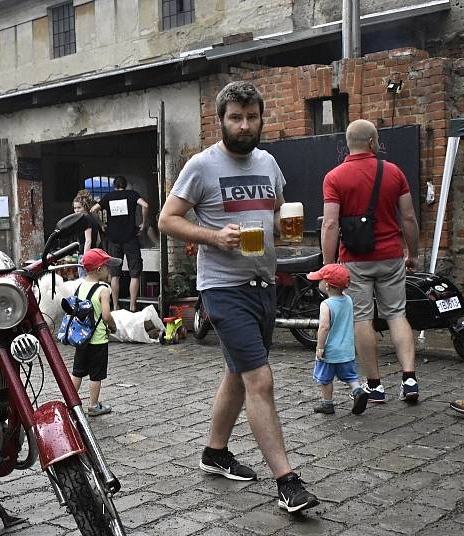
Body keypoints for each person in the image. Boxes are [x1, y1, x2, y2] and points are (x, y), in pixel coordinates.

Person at [158, 81, 318, 513]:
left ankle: (214, 452)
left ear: (262, 119)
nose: (244, 126)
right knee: (259, 380)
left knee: (237, 373)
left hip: (264, 283)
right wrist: (213, 235)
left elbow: (278, 208)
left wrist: (286, 233)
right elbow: (167, 220)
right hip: (223, 288)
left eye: (251, 117)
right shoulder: (202, 165)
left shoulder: (268, 162)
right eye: (235, 117)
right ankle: (287, 482)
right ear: (221, 120)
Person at [321, 119, 420, 404]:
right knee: (397, 314)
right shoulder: (394, 172)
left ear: (346, 146)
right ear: (374, 143)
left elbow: (329, 224)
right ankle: (410, 379)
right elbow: (409, 218)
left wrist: (330, 265)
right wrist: (411, 254)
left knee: (361, 319)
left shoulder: (334, 177)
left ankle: (375, 386)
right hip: (390, 256)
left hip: (354, 260)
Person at [307, 264, 368, 415]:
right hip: (346, 349)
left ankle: (328, 404)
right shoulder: (347, 300)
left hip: (330, 350)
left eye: (320, 280)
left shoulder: (326, 304)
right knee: (349, 376)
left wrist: (320, 347)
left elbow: (324, 327)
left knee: (325, 378)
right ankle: (358, 391)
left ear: (326, 285)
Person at [71, 248, 118, 417]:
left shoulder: (80, 287)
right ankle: (93, 405)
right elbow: (106, 315)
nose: (109, 270)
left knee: (77, 372)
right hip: (97, 340)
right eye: (107, 267)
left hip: (81, 339)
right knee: (95, 375)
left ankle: (71, 404)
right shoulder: (103, 290)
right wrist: (113, 326)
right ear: (99, 269)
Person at [91, 176, 149, 311]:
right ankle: (133, 305)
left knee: (115, 274)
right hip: (130, 238)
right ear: (126, 184)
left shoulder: (108, 197)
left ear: (114, 185)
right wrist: (144, 224)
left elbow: (93, 210)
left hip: (113, 239)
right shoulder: (132, 194)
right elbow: (145, 205)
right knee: (134, 273)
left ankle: (116, 306)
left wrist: (101, 225)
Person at [73, 191, 101, 278]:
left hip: (85, 254)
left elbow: (88, 240)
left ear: (84, 207)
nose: (76, 210)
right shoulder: (92, 218)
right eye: (75, 208)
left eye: (79, 207)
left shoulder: (85, 220)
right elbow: (98, 239)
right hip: (93, 253)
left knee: (84, 281)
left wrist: (84, 258)